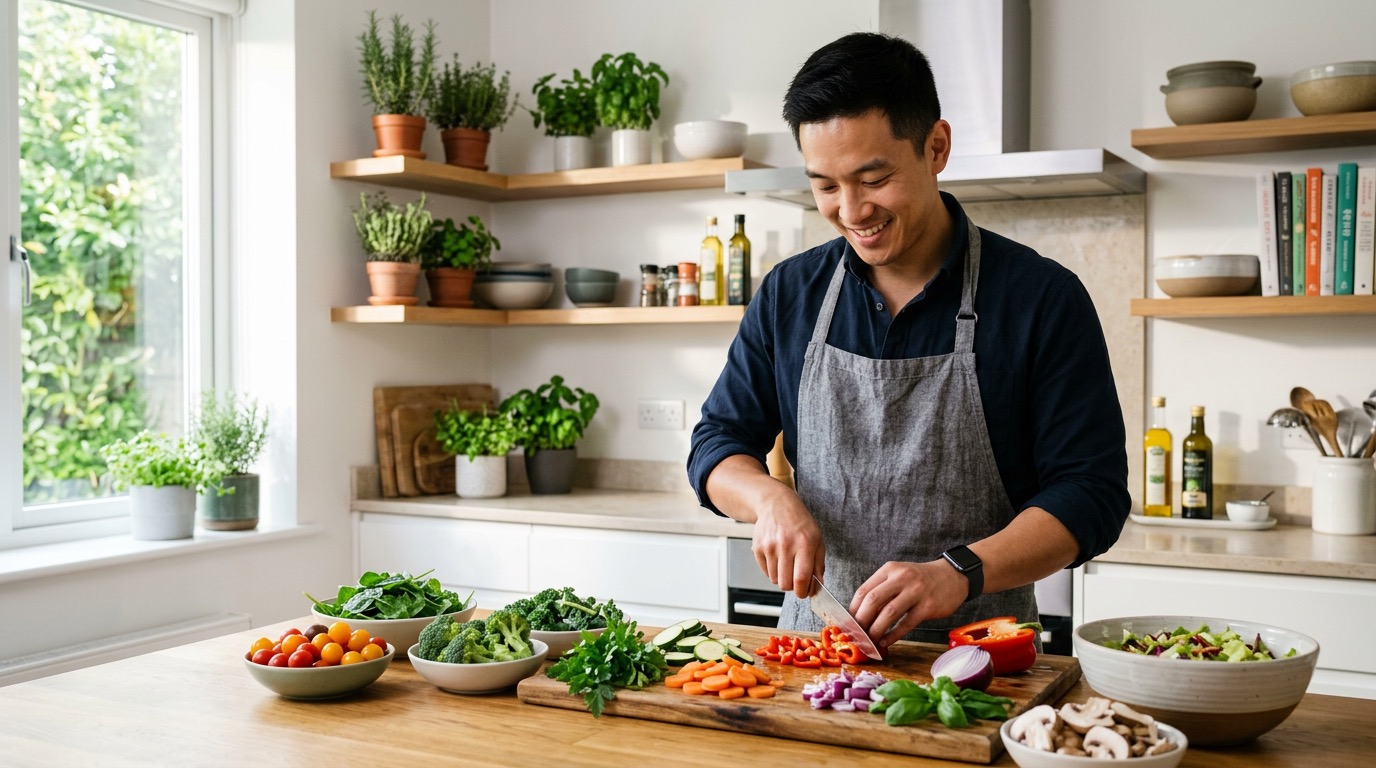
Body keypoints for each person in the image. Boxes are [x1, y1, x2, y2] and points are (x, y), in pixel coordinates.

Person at [686, 32, 1130, 650]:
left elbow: (1092, 494)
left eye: (873, 178)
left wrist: (958, 573)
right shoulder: (791, 293)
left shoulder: (1041, 299)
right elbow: (717, 444)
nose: (851, 210)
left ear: (935, 147)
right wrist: (768, 500)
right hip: (816, 656)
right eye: (825, 185)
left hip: (984, 662)